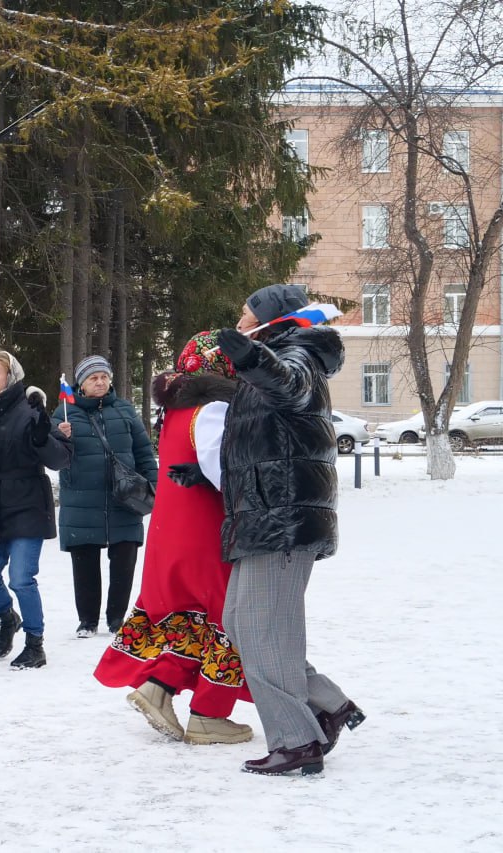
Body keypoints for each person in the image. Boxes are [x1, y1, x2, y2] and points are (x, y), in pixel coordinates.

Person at [215, 284, 364, 776]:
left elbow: (289, 386)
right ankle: (327, 703)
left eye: (245, 315)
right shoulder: (277, 353)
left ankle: (296, 740)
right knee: (243, 624)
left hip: (281, 515)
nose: (238, 323)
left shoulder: (296, 355)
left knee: (263, 629)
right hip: (262, 513)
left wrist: (252, 357)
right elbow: (263, 435)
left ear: (270, 319)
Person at [92, 331, 253, 745]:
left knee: (189, 618)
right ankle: (209, 715)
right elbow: (223, 473)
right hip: (204, 529)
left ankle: (157, 688)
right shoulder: (215, 407)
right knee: (226, 619)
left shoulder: (176, 409)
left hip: (172, 527)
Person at [0, 350, 72, 669]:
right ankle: (7, 617)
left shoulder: (30, 409)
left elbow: (61, 459)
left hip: (27, 501)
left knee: (22, 578)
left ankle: (35, 643)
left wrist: (43, 437)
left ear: (10, 375)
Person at [53, 355, 158, 638]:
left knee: (124, 560)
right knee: (84, 562)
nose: (99, 382)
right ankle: (87, 620)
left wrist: (154, 486)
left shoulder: (124, 410)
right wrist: (58, 436)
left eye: (103, 377)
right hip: (81, 501)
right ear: (81, 384)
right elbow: (51, 456)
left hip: (124, 498)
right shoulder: (64, 413)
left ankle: (116, 619)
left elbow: (144, 453)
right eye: (92, 378)